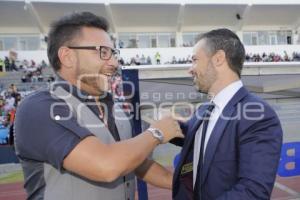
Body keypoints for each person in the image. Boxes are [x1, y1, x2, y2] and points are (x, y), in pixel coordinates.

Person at [14, 12, 183, 200]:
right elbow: (106, 166)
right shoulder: (39, 107)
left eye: (113, 53)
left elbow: (137, 163)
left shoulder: (115, 108)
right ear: (67, 56)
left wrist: (191, 184)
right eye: (103, 52)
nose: (113, 63)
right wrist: (156, 133)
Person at [172, 28, 283, 200]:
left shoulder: (258, 115)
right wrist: (163, 128)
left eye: (194, 60)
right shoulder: (205, 110)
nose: (190, 69)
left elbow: (253, 192)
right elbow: (195, 137)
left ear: (218, 59)